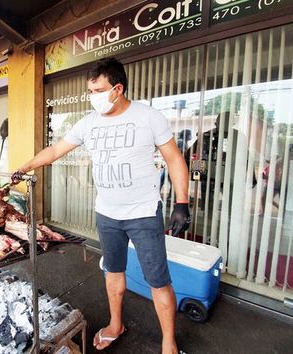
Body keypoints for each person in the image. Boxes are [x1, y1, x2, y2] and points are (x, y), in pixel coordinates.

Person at [12, 58, 189, 353]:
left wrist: (182, 202)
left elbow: (174, 159)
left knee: (158, 280)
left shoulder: (148, 117)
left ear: (117, 88)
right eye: (89, 91)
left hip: (143, 213)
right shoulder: (89, 122)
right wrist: (25, 166)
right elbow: (56, 149)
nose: (92, 97)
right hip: (107, 213)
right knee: (113, 272)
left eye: (97, 90)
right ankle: (115, 323)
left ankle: (168, 341)